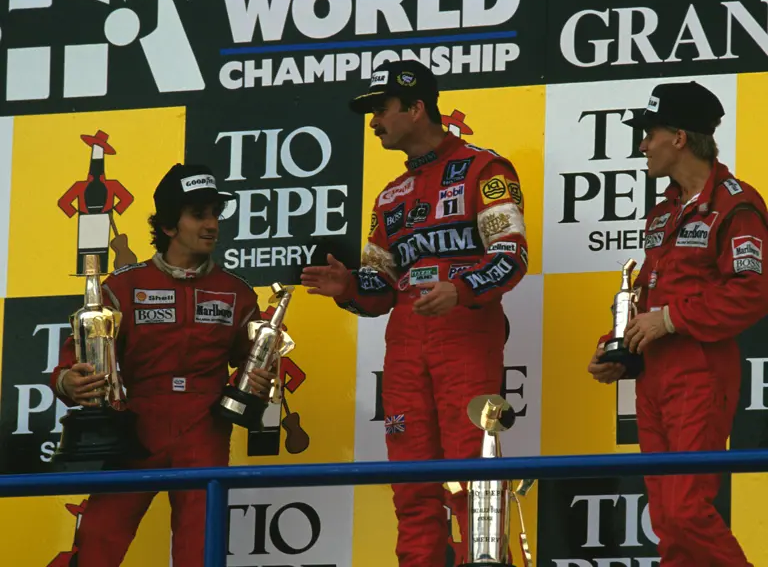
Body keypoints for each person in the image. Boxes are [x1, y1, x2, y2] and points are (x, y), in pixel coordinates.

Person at [301, 60, 528, 567]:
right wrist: (347, 288)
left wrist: (461, 289)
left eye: (380, 110)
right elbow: (380, 289)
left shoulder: (484, 170)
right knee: (411, 488)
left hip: (466, 337)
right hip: (404, 347)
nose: (374, 121)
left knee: (474, 479)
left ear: (416, 107)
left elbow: (511, 258)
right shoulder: (390, 197)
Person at [49, 163, 275, 567]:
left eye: (215, 214)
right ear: (170, 226)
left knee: (200, 551)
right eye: (199, 215)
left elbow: (251, 364)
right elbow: (74, 357)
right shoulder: (121, 287)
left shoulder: (237, 292)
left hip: (204, 430)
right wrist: (69, 381)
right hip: (134, 427)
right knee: (97, 542)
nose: (212, 225)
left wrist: (259, 378)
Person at [587, 81, 768, 567]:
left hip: (700, 374)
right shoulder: (662, 212)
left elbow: (751, 292)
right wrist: (618, 346)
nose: (642, 145)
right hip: (654, 380)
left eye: (649, 133)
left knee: (687, 510)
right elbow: (647, 291)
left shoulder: (736, 204)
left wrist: (668, 320)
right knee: (666, 519)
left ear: (680, 138)